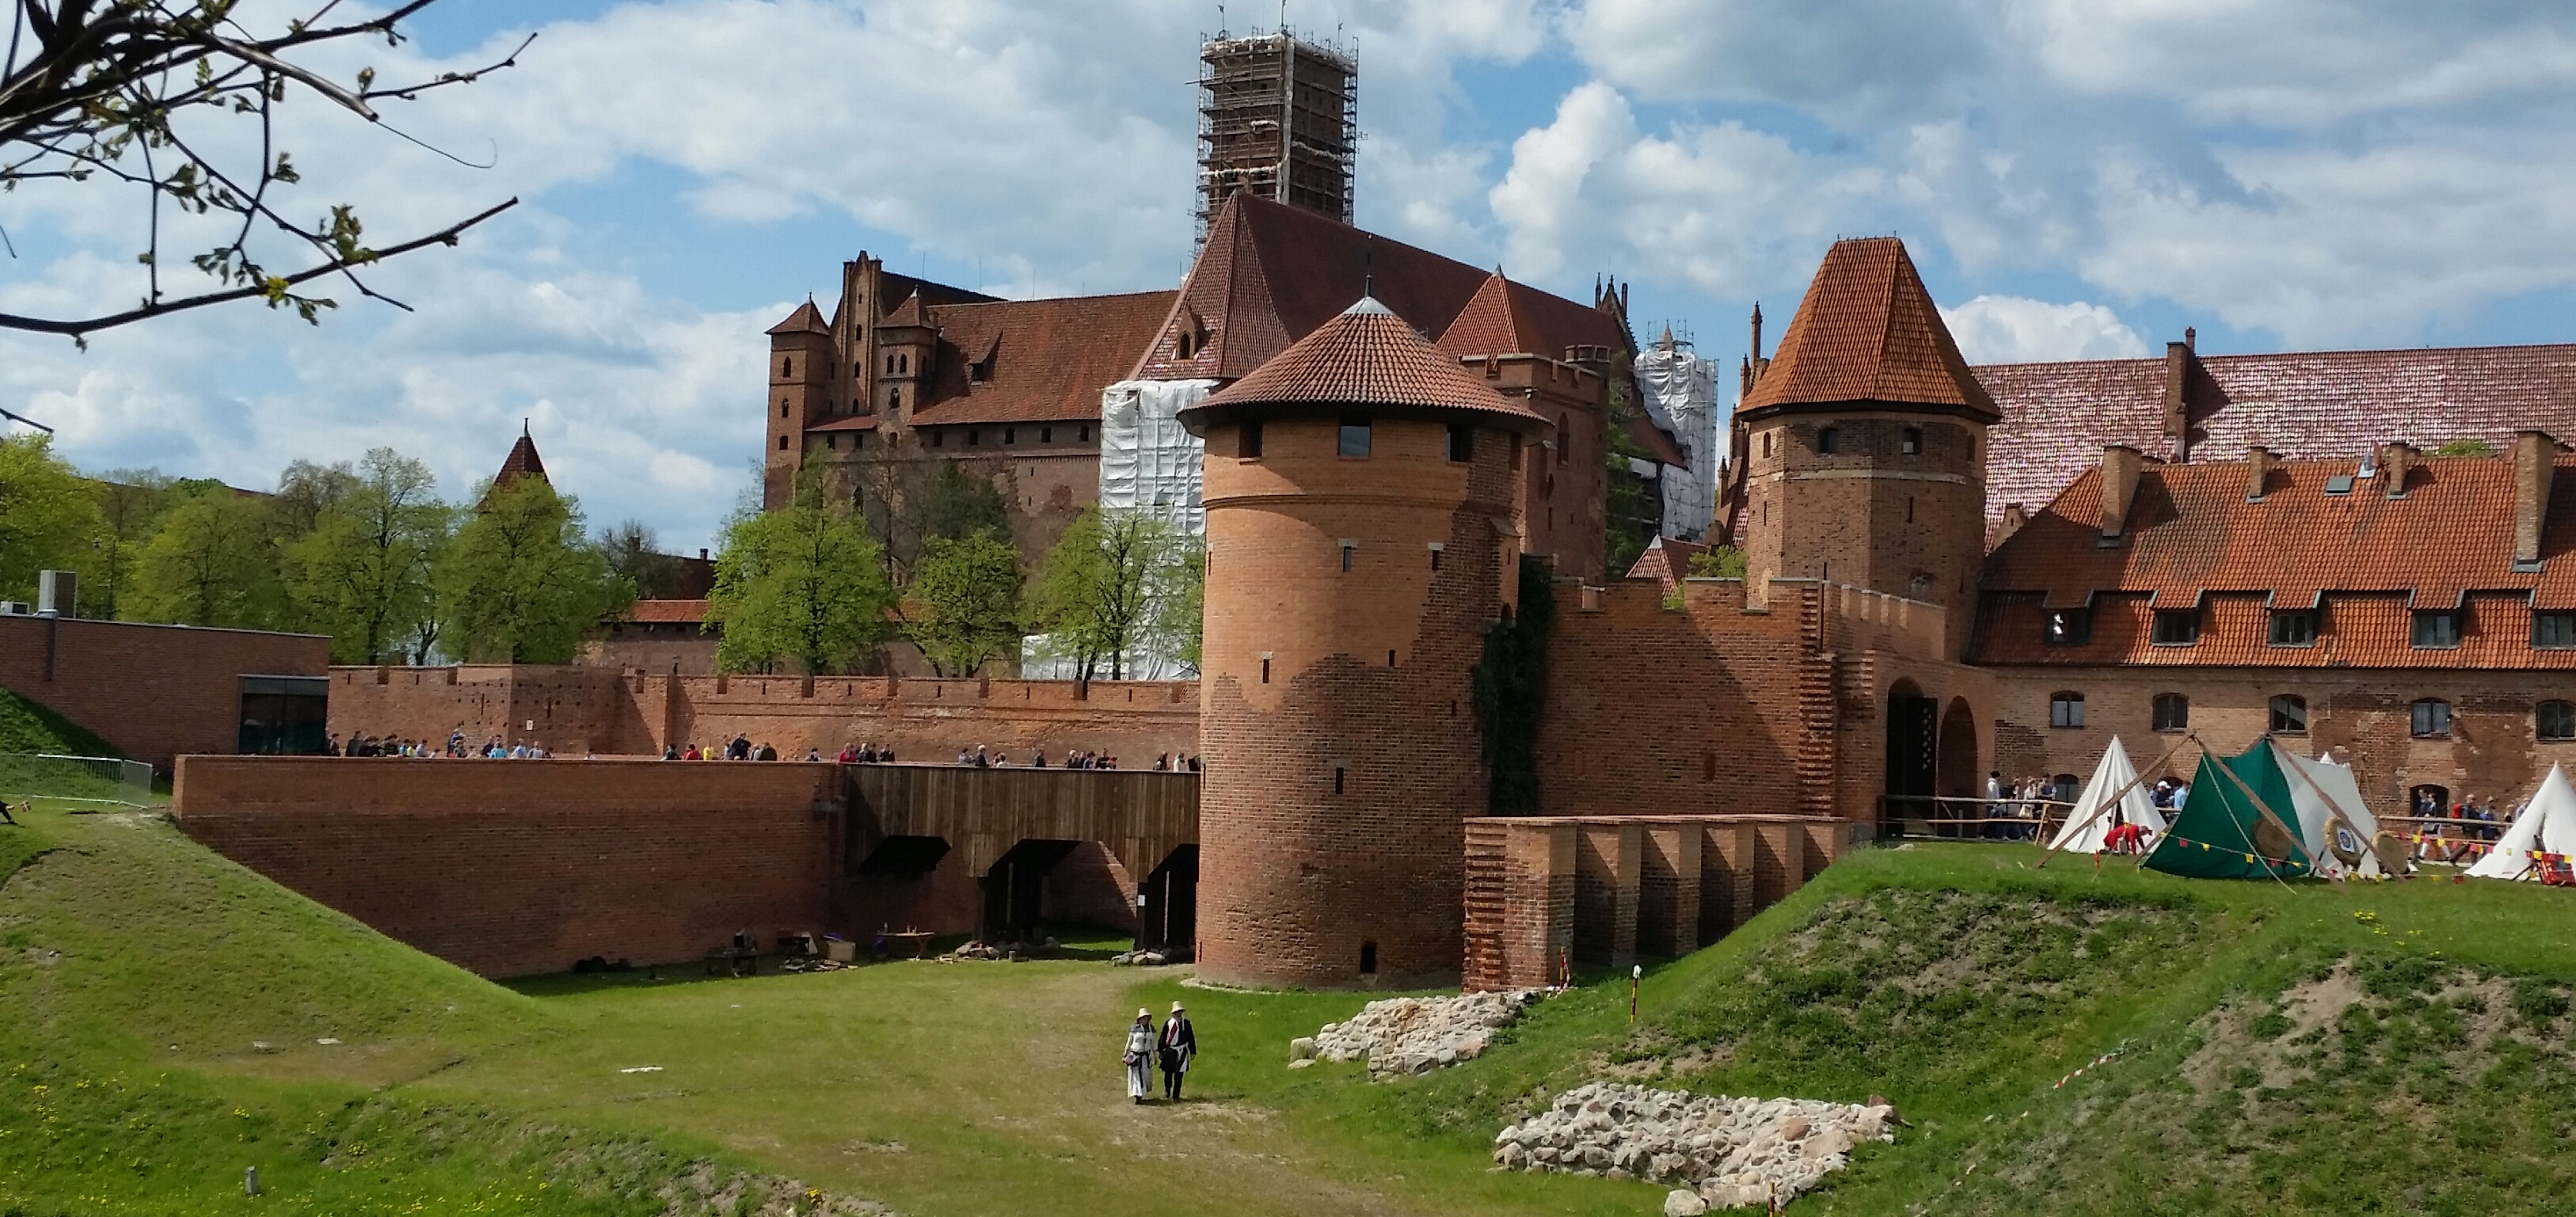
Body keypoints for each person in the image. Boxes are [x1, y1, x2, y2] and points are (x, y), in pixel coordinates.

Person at [1158, 1000, 1197, 1101]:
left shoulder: (1186, 1024)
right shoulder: (1169, 1024)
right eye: (1176, 1012)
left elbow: (1190, 1037)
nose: (1178, 1014)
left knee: (1180, 1074)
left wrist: (1192, 1051)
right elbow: (1163, 1036)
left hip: (1182, 1051)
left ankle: (1176, 1095)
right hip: (1171, 1051)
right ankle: (1167, 1090)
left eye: (1180, 1012)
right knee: (1168, 1072)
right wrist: (1161, 1050)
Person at [1124, 1010, 1156, 1105]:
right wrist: (1125, 1054)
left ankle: (1141, 1093)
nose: (1144, 1020)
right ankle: (1137, 1095)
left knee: (1145, 1076)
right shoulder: (1134, 1029)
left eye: (1146, 1018)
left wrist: (1155, 1056)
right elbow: (1129, 1042)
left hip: (1145, 1057)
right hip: (1135, 1056)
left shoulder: (1151, 1030)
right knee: (1136, 1077)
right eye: (1142, 1018)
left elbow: (1153, 1043)